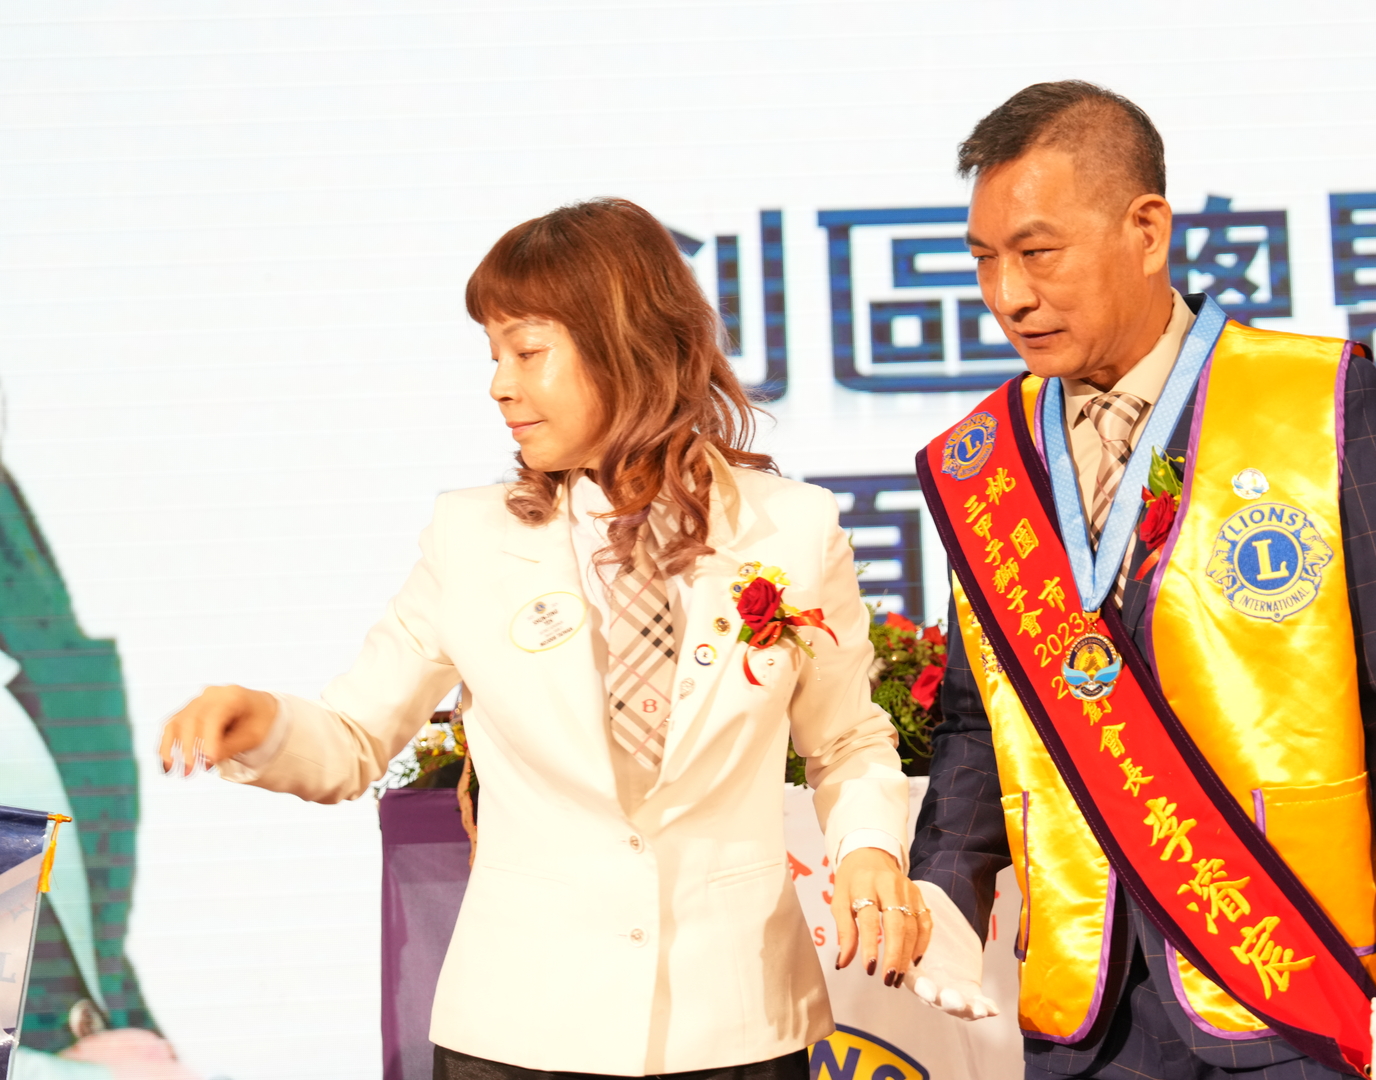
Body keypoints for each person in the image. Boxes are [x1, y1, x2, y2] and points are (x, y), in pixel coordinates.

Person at [157, 198, 927, 1080]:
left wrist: (869, 848)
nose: (499, 386)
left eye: (527, 352)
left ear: (628, 346)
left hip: (738, 1021)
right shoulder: (471, 538)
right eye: (493, 356)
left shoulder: (791, 529)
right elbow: (353, 738)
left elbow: (847, 741)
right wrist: (258, 723)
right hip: (519, 1028)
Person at [904, 82, 1376, 1080]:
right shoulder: (987, 461)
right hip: (1087, 1016)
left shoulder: (1315, 399)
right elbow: (979, 718)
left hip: (1298, 977)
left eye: (1038, 251)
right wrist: (947, 886)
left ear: (1146, 230)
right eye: (983, 259)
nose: (1008, 295)